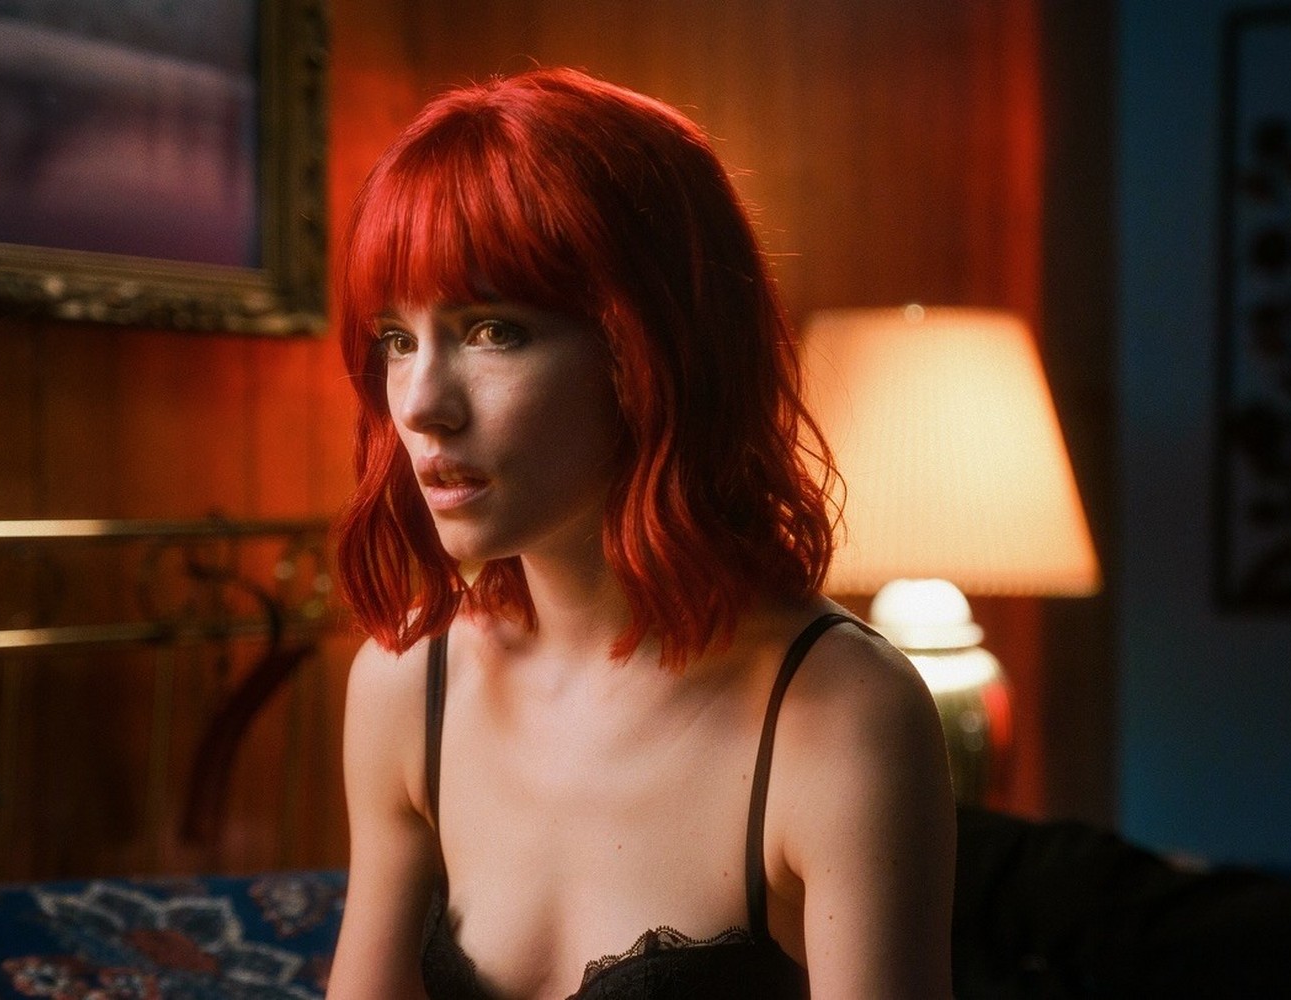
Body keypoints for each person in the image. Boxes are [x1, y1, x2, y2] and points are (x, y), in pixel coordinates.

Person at [325, 67, 955, 1000]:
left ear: (650, 347)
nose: (419, 405)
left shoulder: (841, 715)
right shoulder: (407, 685)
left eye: (493, 330)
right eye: (397, 338)